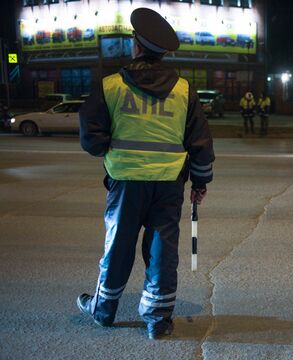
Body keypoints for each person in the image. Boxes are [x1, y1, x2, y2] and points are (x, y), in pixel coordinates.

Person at [77, 7, 214, 340]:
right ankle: (158, 319)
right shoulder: (184, 90)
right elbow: (200, 142)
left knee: (118, 246)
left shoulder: (111, 85)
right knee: (162, 250)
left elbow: (90, 138)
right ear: (162, 52)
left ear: (136, 46)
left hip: (125, 183)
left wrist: (111, 148)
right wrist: (200, 181)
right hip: (168, 185)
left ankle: (104, 310)